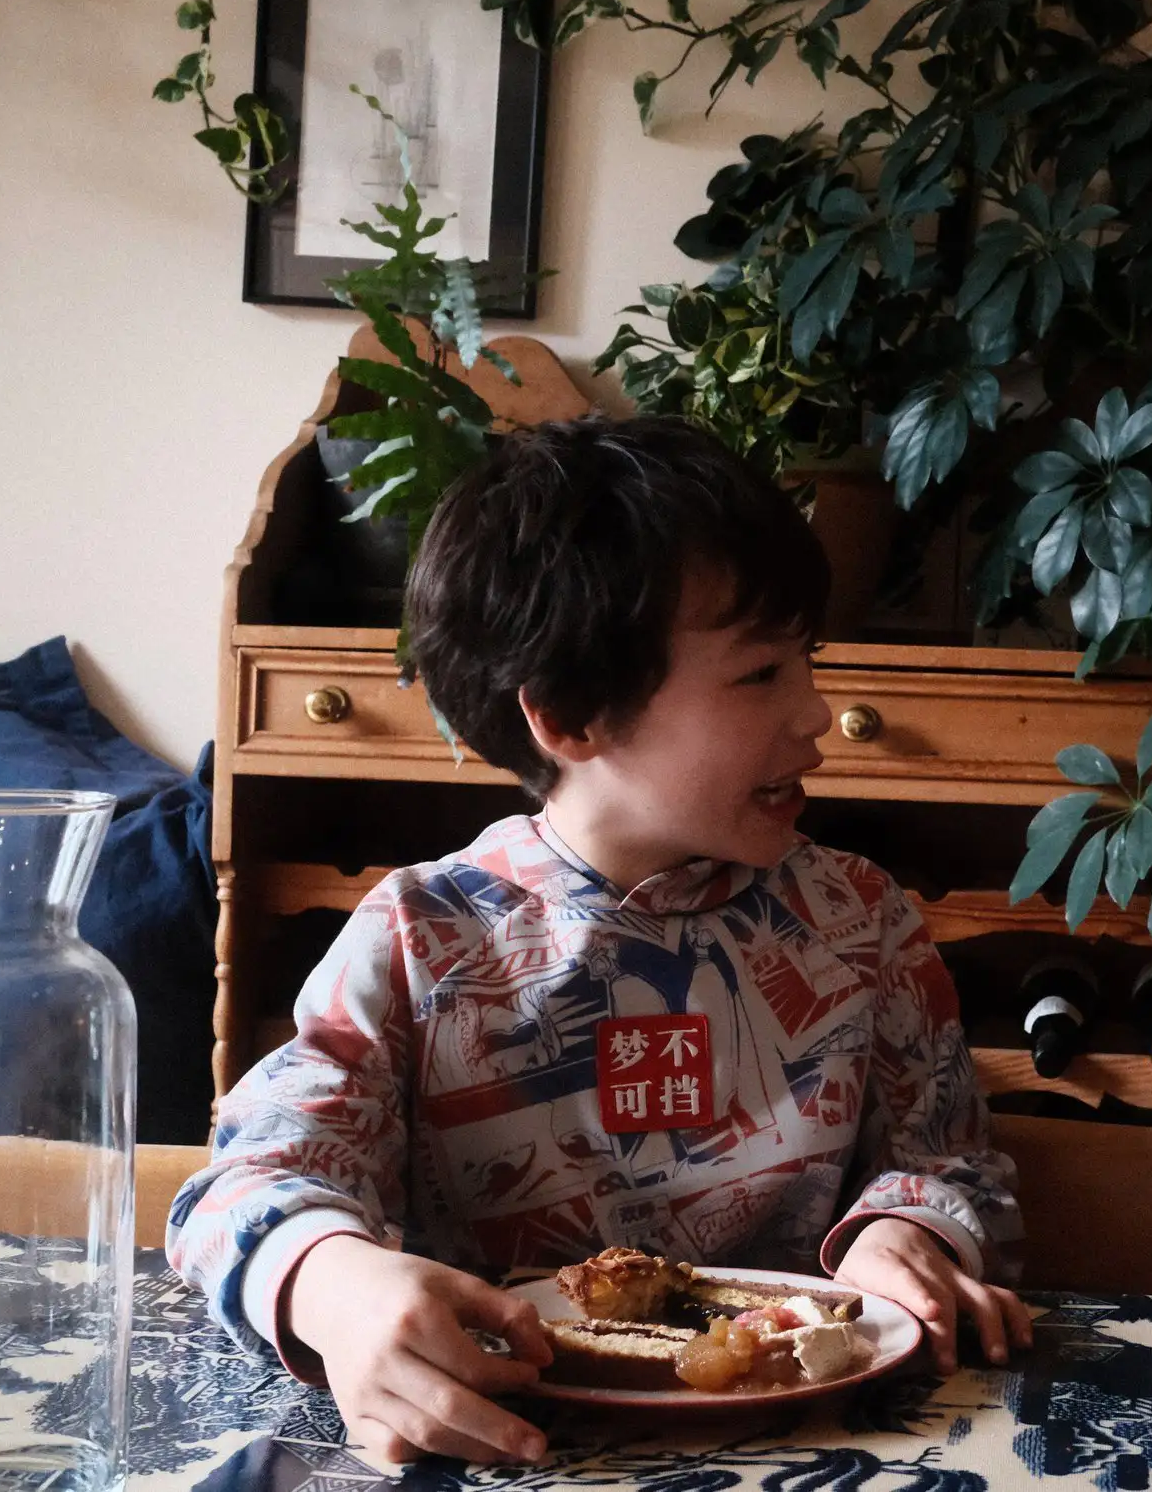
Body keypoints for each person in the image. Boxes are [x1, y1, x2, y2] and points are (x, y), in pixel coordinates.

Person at [168, 417, 1028, 1464]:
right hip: (504, 1439)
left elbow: (949, 1159)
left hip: (810, 1439)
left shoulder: (863, 923)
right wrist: (334, 1285)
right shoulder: (424, 937)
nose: (814, 711)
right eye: (760, 673)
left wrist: (912, 1233)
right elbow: (245, 1180)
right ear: (570, 717)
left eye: (808, 659)